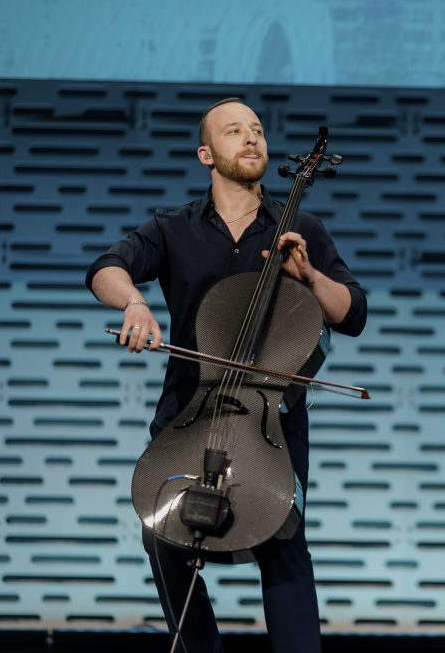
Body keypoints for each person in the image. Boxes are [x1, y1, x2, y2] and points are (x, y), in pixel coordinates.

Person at [86, 98, 367, 652]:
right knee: (160, 531)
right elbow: (105, 268)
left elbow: (351, 313)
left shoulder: (301, 226)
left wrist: (308, 275)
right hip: (189, 414)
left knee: (284, 542)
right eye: (234, 130)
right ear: (206, 154)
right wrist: (134, 305)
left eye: (257, 130)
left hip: (272, 424)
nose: (251, 138)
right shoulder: (173, 228)